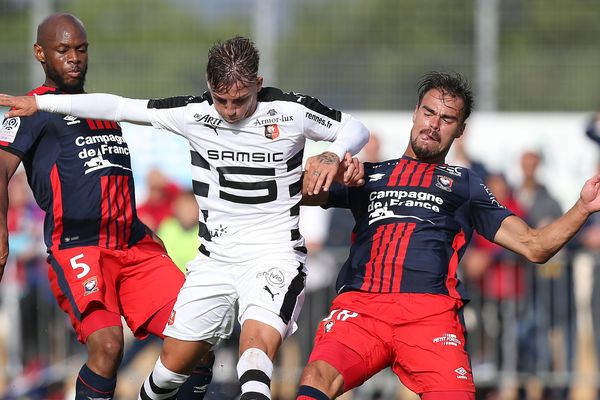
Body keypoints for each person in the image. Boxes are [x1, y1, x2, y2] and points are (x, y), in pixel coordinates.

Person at [0, 36, 370, 399]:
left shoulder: (290, 111)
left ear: (258, 84)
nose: (231, 111)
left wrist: (332, 154)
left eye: (241, 100)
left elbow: (355, 128)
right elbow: (119, 107)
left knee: (254, 351)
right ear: (209, 87)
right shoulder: (194, 113)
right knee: (171, 369)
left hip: (274, 255)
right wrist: (40, 104)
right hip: (214, 263)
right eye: (221, 99)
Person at [295, 71, 600, 400]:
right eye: (428, 113)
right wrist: (328, 169)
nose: (433, 124)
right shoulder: (369, 175)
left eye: (447, 119)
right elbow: (293, 192)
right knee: (317, 375)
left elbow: (534, 246)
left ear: (460, 130)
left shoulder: (464, 183)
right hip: (363, 308)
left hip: (430, 317)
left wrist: (582, 208)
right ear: (415, 113)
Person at [0, 13, 212, 400]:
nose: (74, 58)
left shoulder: (104, 108)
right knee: (108, 347)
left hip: (134, 244)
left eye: (80, 49)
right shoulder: (33, 110)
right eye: (62, 50)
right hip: (80, 246)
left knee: (196, 340)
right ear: (40, 53)